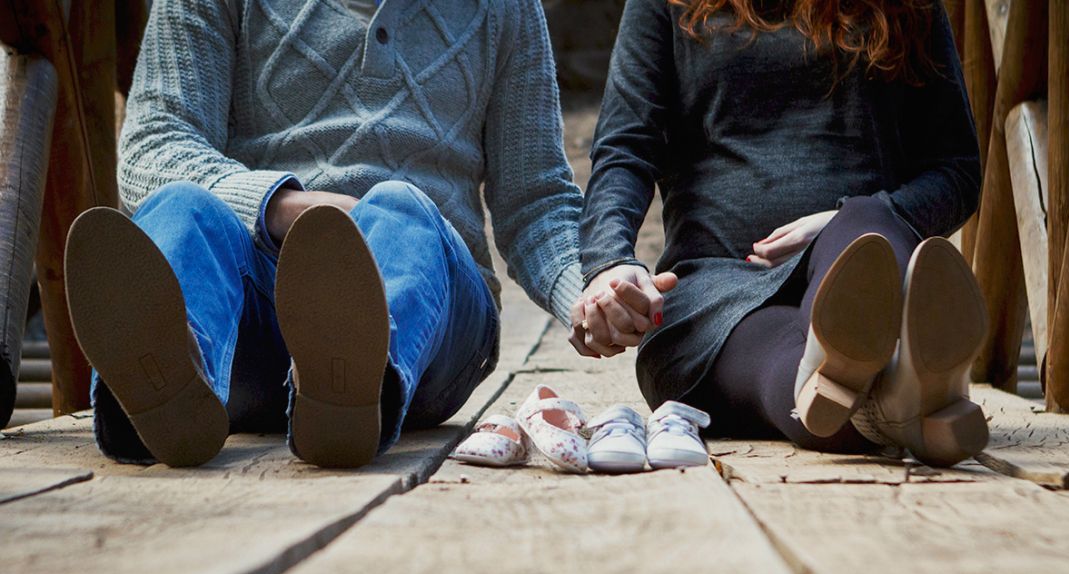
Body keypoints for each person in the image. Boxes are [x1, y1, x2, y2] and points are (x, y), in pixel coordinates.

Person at [65, 0, 584, 468]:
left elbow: (535, 196)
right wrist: (280, 207)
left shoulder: (507, 9)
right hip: (253, 318)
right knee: (181, 207)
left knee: (400, 208)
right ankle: (170, 389)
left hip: (436, 325)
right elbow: (155, 144)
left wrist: (589, 293)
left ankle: (362, 388)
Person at [573, 0, 988, 467]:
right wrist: (610, 263)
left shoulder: (910, 6)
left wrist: (840, 220)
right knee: (799, 370)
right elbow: (625, 149)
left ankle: (883, 394)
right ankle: (901, 393)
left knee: (864, 232)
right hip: (712, 293)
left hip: (861, 250)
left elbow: (956, 172)